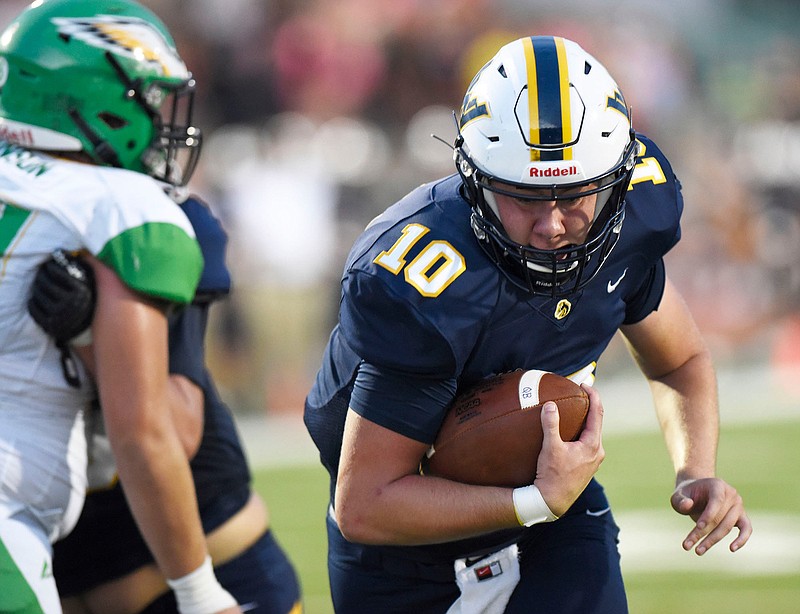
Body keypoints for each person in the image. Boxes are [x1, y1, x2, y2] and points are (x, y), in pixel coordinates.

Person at [303, 35, 752, 613]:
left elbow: (680, 360)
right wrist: (534, 498)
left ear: (615, 180)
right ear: (476, 181)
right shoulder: (424, 278)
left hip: (556, 531)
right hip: (403, 559)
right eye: (524, 196)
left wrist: (695, 470)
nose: (551, 225)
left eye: (573, 195)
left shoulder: (629, 223)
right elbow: (366, 504)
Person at [0, 1, 238, 611]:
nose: (157, 116)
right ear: (85, 95)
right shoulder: (119, 207)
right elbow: (147, 434)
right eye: (144, 97)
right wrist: (200, 593)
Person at [27, 197, 302, 613]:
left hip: (212, 567)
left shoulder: (150, 227)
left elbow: (173, 432)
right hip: (53, 580)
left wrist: (89, 335)